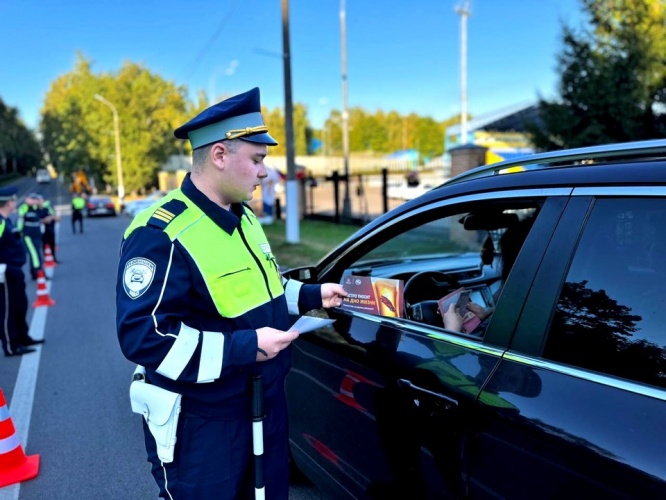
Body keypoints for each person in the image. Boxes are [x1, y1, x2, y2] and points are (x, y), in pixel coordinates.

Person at [116, 87, 347, 500]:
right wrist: (243, 347)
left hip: (266, 405)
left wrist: (314, 295)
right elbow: (144, 336)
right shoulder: (161, 233)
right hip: (204, 426)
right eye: (257, 159)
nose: (264, 172)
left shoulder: (243, 218)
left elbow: (261, 292)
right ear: (220, 155)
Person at [443, 216, 536, 333]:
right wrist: (486, 316)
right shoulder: (532, 302)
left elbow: (458, 351)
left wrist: (452, 331)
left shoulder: (518, 308)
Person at [0, 187, 44, 357]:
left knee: (20, 305)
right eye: (13, 199)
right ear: (8, 202)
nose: (14, 202)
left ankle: (23, 337)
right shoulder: (1, 222)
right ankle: (11, 346)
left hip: (15, 270)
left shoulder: (7, 220)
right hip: (5, 271)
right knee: (7, 311)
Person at [16, 192, 47, 280]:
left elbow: (45, 214)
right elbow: (20, 220)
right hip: (28, 235)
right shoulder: (24, 208)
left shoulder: (36, 208)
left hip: (37, 234)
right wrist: (20, 233)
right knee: (34, 253)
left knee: (37, 252)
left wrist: (40, 205)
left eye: (35, 199)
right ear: (27, 199)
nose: (34, 201)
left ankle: (35, 271)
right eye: (32, 199)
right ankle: (37, 271)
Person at [41, 195, 61, 263]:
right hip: (44, 230)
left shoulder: (48, 207)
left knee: (51, 245)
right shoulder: (39, 209)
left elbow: (57, 218)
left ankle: (53, 259)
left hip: (49, 229)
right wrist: (44, 220)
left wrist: (51, 218)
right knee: (45, 246)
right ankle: (50, 259)